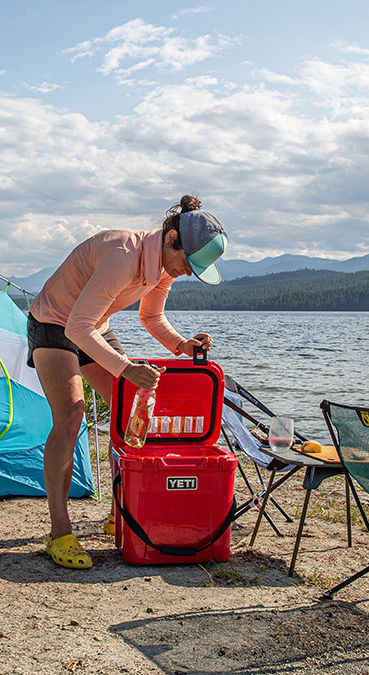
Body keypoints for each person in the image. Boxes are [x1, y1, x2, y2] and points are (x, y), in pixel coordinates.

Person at [26, 194, 228, 568]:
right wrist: (125, 368)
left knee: (134, 417)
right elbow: (76, 327)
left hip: (93, 324)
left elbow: (150, 317)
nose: (188, 273)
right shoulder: (123, 254)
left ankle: (122, 511)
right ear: (172, 239)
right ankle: (59, 532)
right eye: (188, 263)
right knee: (71, 415)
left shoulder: (165, 266)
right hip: (54, 321)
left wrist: (182, 345)